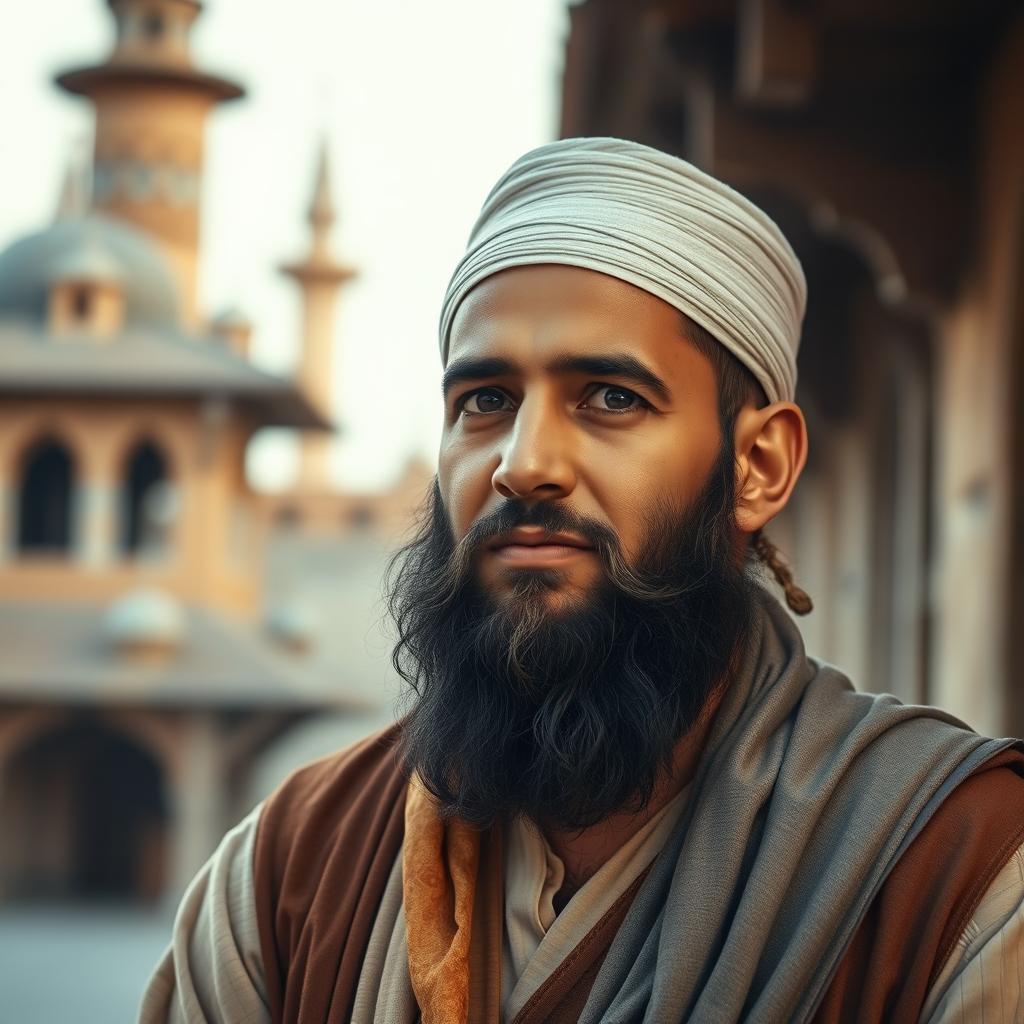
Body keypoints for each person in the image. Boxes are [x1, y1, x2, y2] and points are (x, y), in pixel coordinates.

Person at [139, 138, 1024, 1024]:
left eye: (609, 397)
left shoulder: (960, 873)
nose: (523, 466)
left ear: (758, 464)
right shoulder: (289, 871)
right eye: (485, 400)